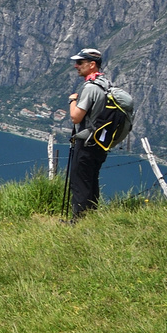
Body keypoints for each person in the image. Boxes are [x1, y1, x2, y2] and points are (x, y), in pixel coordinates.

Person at [66, 47, 110, 221]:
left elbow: (76, 117)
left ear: (92, 65)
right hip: (99, 142)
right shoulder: (105, 84)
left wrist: (72, 100)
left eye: (80, 62)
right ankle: (91, 219)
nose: (76, 66)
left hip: (86, 142)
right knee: (91, 180)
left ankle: (78, 221)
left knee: (80, 182)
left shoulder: (91, 88)